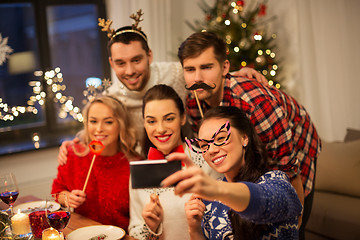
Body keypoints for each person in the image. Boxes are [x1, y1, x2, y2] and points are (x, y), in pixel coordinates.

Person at [57, 11, 267, 164]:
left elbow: (202, 72)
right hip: (148, 165)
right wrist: (74, 142)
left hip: (192, 158)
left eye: (136, 60)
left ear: (150, 56)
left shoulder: (176, 73)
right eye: (121, 63)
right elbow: (98, 125)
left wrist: (235, 73)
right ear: (112, 63)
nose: (129, 71)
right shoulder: (113, 99)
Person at [177, 31, 321, 239]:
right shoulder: (193, 103)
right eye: (190, 69)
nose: (197, 78)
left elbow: (288, 168)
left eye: (207, 67)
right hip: (251, 157)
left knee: (289, 217)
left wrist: (295, 224)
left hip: (296, 144)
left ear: (224, 67)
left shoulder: (254, 104)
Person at [162, 106, 303, 239]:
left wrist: (217, 189)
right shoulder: (209, 202)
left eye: (221, 138)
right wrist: (195, 229)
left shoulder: (276, 180)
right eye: (204, 145)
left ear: (244, 138)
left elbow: (268, 201)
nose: (211, 150)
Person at [128, 84, 222, 240]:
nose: (160, 129)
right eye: (151, 121)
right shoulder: (140, 172)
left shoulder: (207, 160)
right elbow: (134, 231)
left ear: (182, 118)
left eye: (169, 119)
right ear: (144, 123)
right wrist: (150, 227)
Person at [51, 95, 139, 230]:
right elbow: (56, 192)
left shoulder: (134, 164)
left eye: (108, 122)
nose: (99, 129)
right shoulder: (72, 155)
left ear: (121, 125)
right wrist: (68, 198)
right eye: (93, 121)